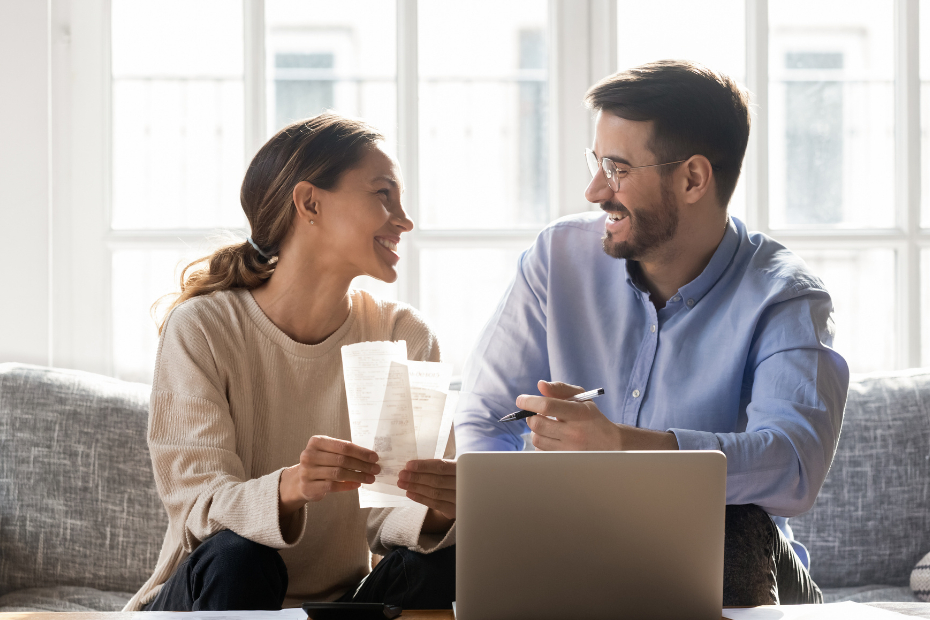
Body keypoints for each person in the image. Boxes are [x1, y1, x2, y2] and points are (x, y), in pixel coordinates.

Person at [453, 61, 849, 605]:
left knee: (738, 534)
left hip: (739, 561)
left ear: (692, 178)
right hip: (580, 544)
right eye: (597, 163)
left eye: (616, 168)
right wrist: (513, 522)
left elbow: (793, 467)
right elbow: (483, 417)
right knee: (428, 564)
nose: (594, 190)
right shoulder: (557, 258)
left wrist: (622, 448)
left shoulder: (785, 295)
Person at [124, 113, 457, 612]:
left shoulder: (402, 335)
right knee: (242, 557)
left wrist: (440, 510)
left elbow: (392, 520)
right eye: (383, 194)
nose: (404, 219)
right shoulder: (204, 327)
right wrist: (292, 487)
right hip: (210, 597)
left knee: (444, 561)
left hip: (336, 607)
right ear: (310, 203)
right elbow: (198, 510)